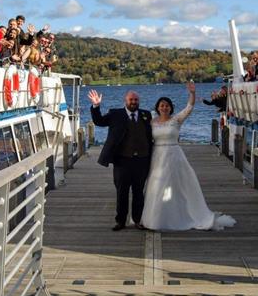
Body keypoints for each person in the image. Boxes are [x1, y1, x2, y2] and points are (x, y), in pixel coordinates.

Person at [141, 82, 236, 231]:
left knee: (175, 185)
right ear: (157, 108)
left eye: (166, 105)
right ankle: (155, 218)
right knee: (156, 185)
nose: (164, 107)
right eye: (161, 105)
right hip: (157, 157)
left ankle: (178, 216)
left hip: (174, 155)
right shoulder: (152, 122)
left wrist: (192, 93)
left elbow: (189, 108)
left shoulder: (176, 120)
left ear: (170, 108)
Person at [88, 89, 152, 231]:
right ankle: (121, 221)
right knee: (122, 192)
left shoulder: (145, 115)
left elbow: (152, 133)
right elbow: (99, 121)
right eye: (131, 100)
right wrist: (96, 106)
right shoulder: (115, 114)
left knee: (138, 193)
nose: (134, 102)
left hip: (141, 161)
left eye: (136, 100)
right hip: (122, 161)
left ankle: (137, 220)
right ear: (126, 101)